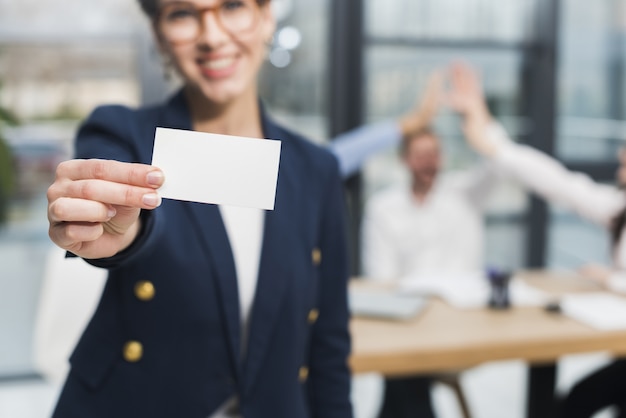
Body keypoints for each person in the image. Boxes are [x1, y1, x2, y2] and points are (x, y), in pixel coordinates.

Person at [46, 1, 353, 417]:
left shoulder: (316, 169)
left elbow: (329, 344)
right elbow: (143, 224)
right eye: (183, 13)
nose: (211, 36)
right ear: (159, 35)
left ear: (266, 18)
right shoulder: (122, 134)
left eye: (232, 6)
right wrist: (117, 226)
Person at [447, 62, 626, 418]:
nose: (621, 154)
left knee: (576, 401)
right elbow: (558, 182)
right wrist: (489, 131)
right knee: (573, 401)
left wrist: (612, 279)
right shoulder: (618, 207)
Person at [360, 72, 498, 418]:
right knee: (404, 368)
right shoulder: (383, 208)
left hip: (459, 320)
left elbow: (499, 164)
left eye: (435, 154)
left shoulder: (465, 194)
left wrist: (477, 116)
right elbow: (382, 281)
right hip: (408, 319)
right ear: (404, 160)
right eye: (420, 155)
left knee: (403, 378)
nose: (429, 163)